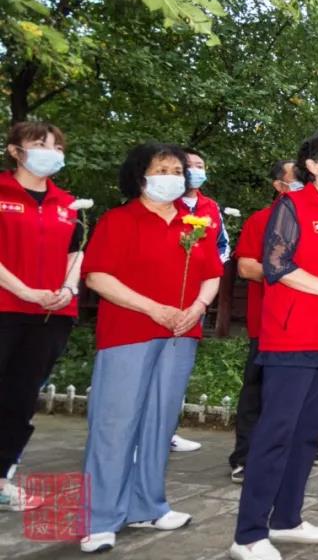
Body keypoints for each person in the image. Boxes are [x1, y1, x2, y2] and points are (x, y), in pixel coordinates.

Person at [230, 131, 318, 560]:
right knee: (276, 433)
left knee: (307, 435)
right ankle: (248, 534)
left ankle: (287, 519)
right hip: (294, 338)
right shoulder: (292, 206)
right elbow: (276, 265)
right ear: (312, 165)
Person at [79, 143, 223, 553]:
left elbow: (212, 273)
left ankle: (148, 505)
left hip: (180, 333)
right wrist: (153, 309)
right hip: (129, 332)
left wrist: (198, 308)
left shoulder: (194, 223)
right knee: (115, 423)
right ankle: (100, 517)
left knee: (160, 422)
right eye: (162, 169)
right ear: (140, 175)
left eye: (177, 171)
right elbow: (97, 276)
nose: (172, 177)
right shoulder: (119, 220)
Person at [228, 161, 318, 484]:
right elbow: (246, 267)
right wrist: (292, 273)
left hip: (313, 322)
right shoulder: (262, 219)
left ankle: (303, 448)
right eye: (294, 178)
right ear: (278, 185)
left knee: (307, 393)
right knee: (258, 391)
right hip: (270, 321)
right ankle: (245, 456)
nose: (301, 182)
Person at [0, 122, 82, 512]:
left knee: (20, 399)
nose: (51, 152)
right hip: (6, 307)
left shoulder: (68, 204)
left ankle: (2, 478)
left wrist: (68, 289)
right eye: (40, 144)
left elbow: (76, 253)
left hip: (50, 315)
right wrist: (23, 290)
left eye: (57, 147)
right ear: (15, 151)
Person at [169, 148, 229, 454]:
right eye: (188, 165)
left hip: (197, 297)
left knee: (179, 370)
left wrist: (206, 271)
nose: (195, 170)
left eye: (200, 165)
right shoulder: (165, 202)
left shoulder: (211, 207)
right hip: (163, 295)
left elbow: (223, 247)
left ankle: (167, 431)